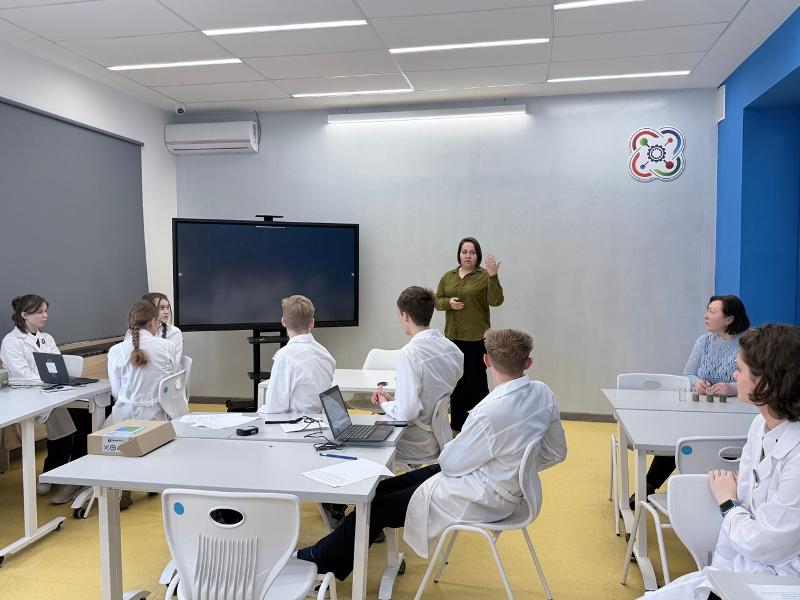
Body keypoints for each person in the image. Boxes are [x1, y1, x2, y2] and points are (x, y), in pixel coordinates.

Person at [297, 328, 567, 581]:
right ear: (528, 362)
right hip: (496, 482)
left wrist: (502, 466)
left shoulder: (488, 412)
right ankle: (336, 557)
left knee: (376, 506)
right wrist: (517, 468)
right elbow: (557, 451)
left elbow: (450, 464)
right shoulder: (543, 393)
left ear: (486, 360)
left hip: (481, 495)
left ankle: (318, 559)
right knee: (379, 490)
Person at [640, 323, 800, 600]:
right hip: (741, 569)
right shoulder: (760, 426)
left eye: (739, 370)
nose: (734, 376)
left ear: (765, 382)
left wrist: (728, 504)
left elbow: (764, 543)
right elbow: (748, 512)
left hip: (781, 582)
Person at [636, 295, 751, 506]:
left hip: (733, 416)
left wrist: (733, 388)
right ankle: (647, 487)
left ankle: (717, 493)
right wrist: (697, 383)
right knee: (680, 439)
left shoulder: (748, 345)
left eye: (712, 312)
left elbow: (755, 382)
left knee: (713, 446)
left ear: (729, 319)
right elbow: (688, 374)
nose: (706, 316)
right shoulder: (704, 342)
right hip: (700, 410)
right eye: (707, 310)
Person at [0, 294, 91, 504]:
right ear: (24, 315)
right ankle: (55, 473)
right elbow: (23, 375)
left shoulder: (46, 338)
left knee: (85, 415)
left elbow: (57, 366)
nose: (45, 315)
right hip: (27, 395)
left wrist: (56, 380)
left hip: (51, 391)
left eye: (46, 311)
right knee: (70, 420)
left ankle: (70, 473)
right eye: (40, 312)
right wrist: (50, 380)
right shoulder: (12, 341)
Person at [370, 286, 464, 464]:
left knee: (361, 442)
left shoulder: (409, 354)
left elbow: (408, 413)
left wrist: (384, 404)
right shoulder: (453, 349)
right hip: (440, 437)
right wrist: (396, 402)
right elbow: (431, 395)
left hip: (414, 441)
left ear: (405, 315)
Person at [106, 300, 179, 509]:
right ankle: (153, 480)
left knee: (108, 435)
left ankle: (124, 489)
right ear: (153, 321)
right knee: (156, 443)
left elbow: (116, 392)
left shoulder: (116, 351)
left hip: (124, 419)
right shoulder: (168, 346)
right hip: (157, 418)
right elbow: (171, 386)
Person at [435, 237, 504, 432]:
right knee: (457, 385)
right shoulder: (448, 276)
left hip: (476, 339)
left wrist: (493, 276)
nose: (468, 256)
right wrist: (448, 303)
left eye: (472, 252)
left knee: (477, 385)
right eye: (464, 252)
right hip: (453, 339)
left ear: (477, 255)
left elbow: (496, 301)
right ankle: (457, 427)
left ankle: (480, 428)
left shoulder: (484, 276)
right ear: (459, 254)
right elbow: (437, 301)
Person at [257, 295, 335, 415]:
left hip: (292, 423)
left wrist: (259, 412)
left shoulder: (284, 356)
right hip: (318, 421)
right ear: (312, 322)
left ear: (283, 321)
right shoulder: (326, 355)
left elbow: (274, 408)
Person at [140, 293, 183, 364]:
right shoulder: (135, 332)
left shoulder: (174, 332)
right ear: (147, 310)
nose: (166, 312)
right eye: (161, 308)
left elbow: (174, 365)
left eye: (168, 307)